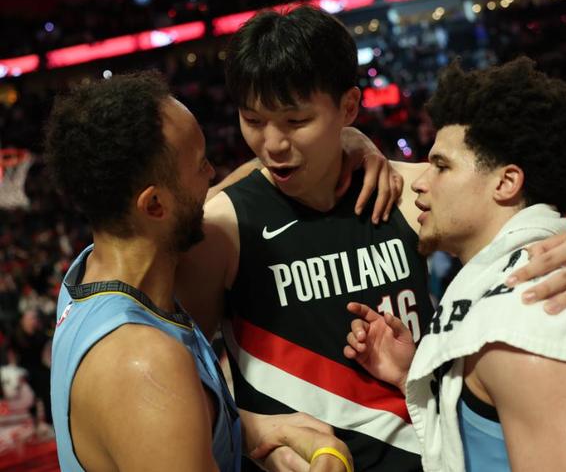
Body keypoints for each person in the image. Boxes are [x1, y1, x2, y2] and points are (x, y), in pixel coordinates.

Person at [177, 6, 566, 472]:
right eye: (253, 121)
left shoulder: (414, 191)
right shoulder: (223, 227)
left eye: (296, 122)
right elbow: (177, 384)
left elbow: (524, 218)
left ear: (349, 108)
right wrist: (255, 430)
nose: (273, 144)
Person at [345, 58, 566, 471]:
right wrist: (421, 378)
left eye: (441, 166)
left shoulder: (531, 315)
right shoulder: (530, 294)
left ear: (506, 182)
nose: (420, 182)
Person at [45, 72, 352, 472]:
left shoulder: (93, 273)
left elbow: (155, 434)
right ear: (155, 205)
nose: (212, 174)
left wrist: (254, 429)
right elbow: (154, 412)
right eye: (201, 163)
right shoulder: (144, 364)